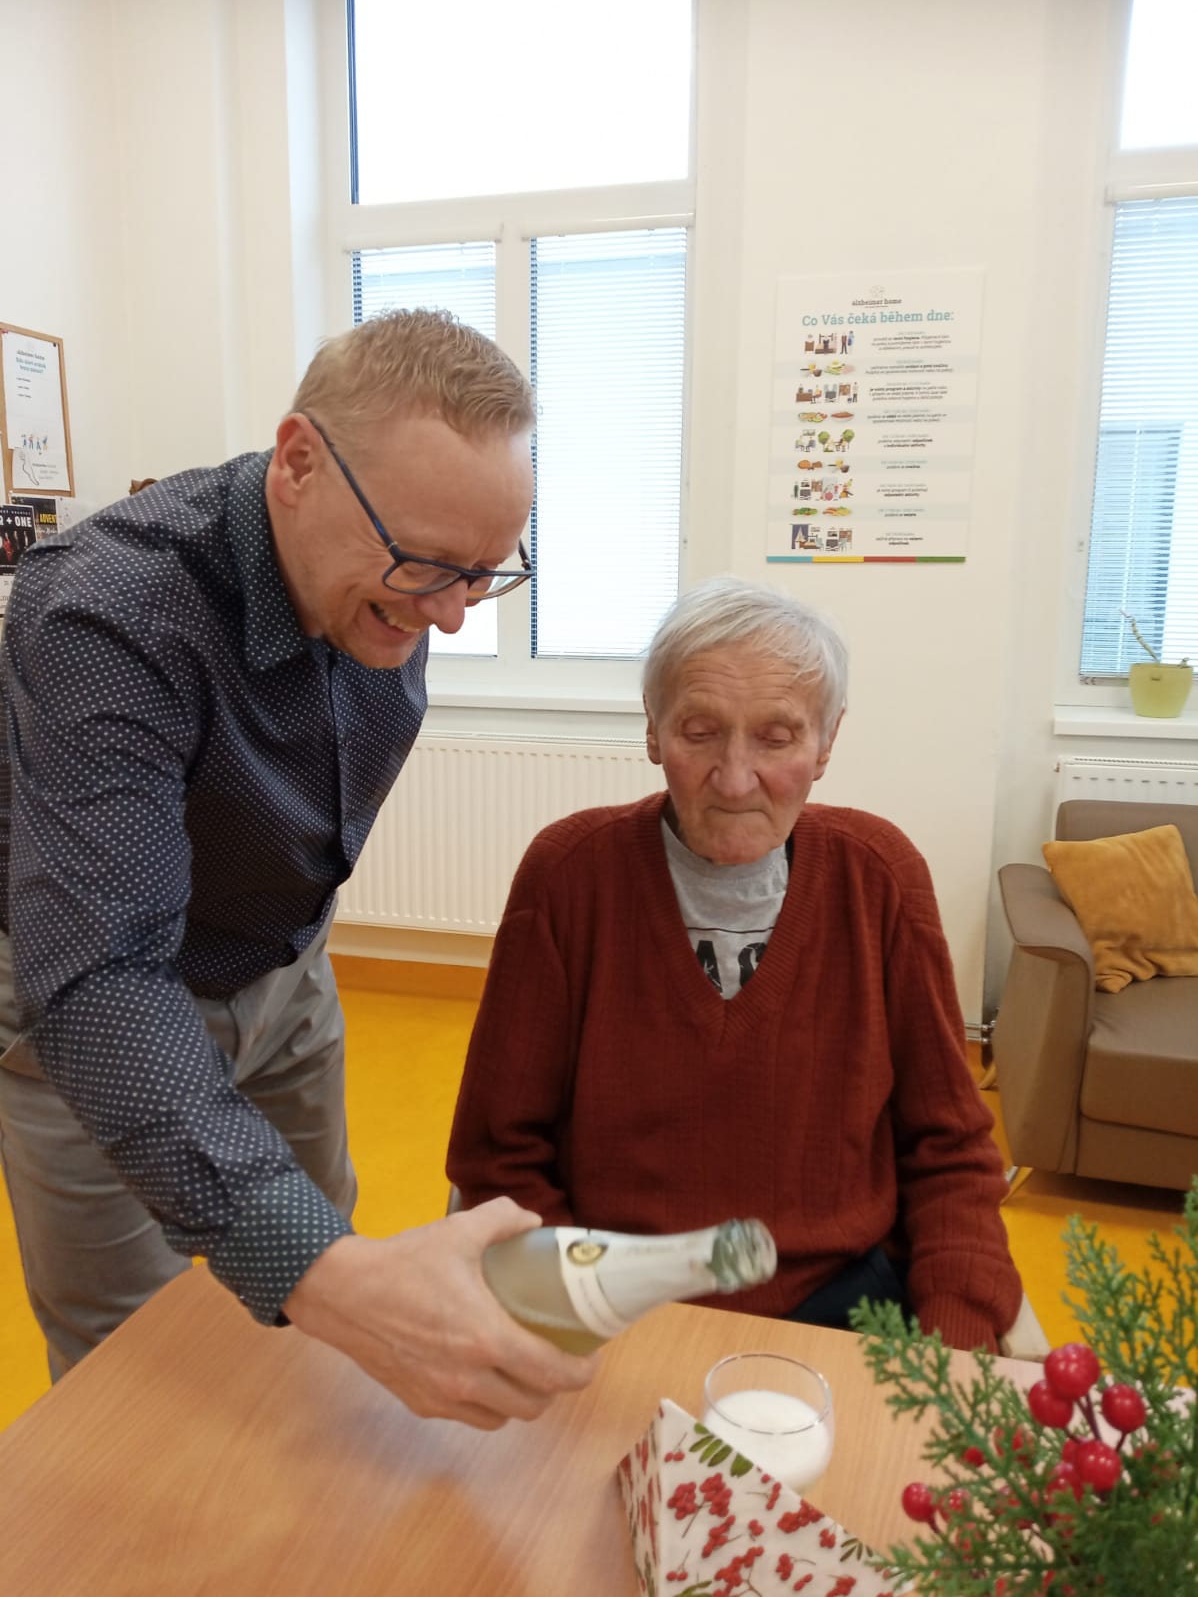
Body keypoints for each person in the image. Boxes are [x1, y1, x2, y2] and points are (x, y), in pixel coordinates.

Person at [0, 308, 595, 1428]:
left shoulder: (397, 577)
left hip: (285, 969)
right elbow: (102, 972)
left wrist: (326, 1271)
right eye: (425, 565)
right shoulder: (107, 608)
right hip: (96, 1013)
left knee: (316, 1296)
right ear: (297, 463)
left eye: (481, 576)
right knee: (128, 1380)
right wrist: (326, 1271)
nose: (451, 618)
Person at [446, 576, 1023, 1353]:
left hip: (846, 1306)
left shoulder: (880, 876)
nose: (735, 777)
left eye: (777, 738)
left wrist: (951, 1348)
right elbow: (499, 1158)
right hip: (619, 1307)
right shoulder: (569, 876)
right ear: (653, 732)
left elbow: (949, 1149)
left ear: (826, 744)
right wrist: (575, 1319)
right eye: (700, 731)